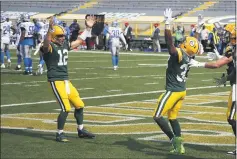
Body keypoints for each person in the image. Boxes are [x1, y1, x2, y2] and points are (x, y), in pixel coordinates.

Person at [152, 8, 203, 154]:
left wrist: (167, 24)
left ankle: (174, 140)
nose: (182, 42)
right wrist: (198, 27)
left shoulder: (179, 54)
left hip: (173, 91)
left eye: (184, 42)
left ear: (185, 46)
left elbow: (169, 44)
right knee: (173, 118)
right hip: (182, 91)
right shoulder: (191, 56)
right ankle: (180, 146)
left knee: (157, 116)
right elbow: (195, 43)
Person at [42, 15, 96, 142]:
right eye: (59, 36)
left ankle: (81, 130)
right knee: (66, 108)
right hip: (55, 80)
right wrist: (49, 31)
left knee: (80, 105)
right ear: (54, 37)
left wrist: (87, 28)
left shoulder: (65, 44)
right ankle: (59, 133)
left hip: (66, 80)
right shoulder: (49, 47)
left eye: (63, 36)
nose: (62, 38)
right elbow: (45, 44)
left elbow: (79, 41)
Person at [188, 23, 236, 155]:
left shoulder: (233, 48)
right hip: (234, 84)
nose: (225, 35)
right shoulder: (232, 48)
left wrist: (199, 64)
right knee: (231, 117)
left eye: (228, 33)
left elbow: (217, 65)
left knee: (232, 118)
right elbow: (231, 63)